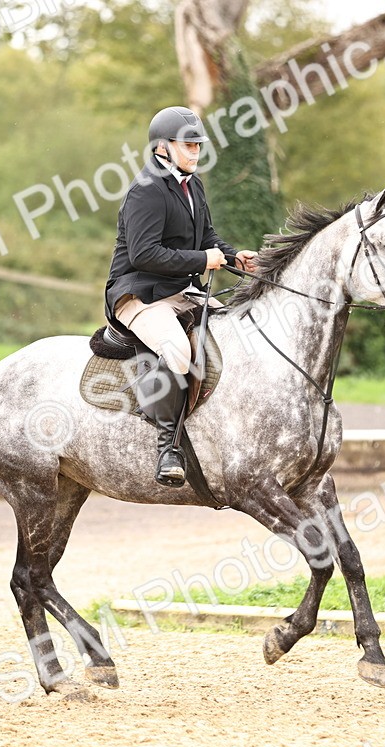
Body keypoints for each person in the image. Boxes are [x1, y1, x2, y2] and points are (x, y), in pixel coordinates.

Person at [104, 106, 258, 488]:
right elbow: (144, 254)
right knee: (176, 347)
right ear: (162, 147)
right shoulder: (146, 190)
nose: (196, 152)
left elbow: (207, 238)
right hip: (138, 294)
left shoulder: (192, 185)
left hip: (179, 290)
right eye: (189, 145)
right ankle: (168, 447)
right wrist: (204, 259)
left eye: (198, 145)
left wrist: (233, 253)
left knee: (239, 335)